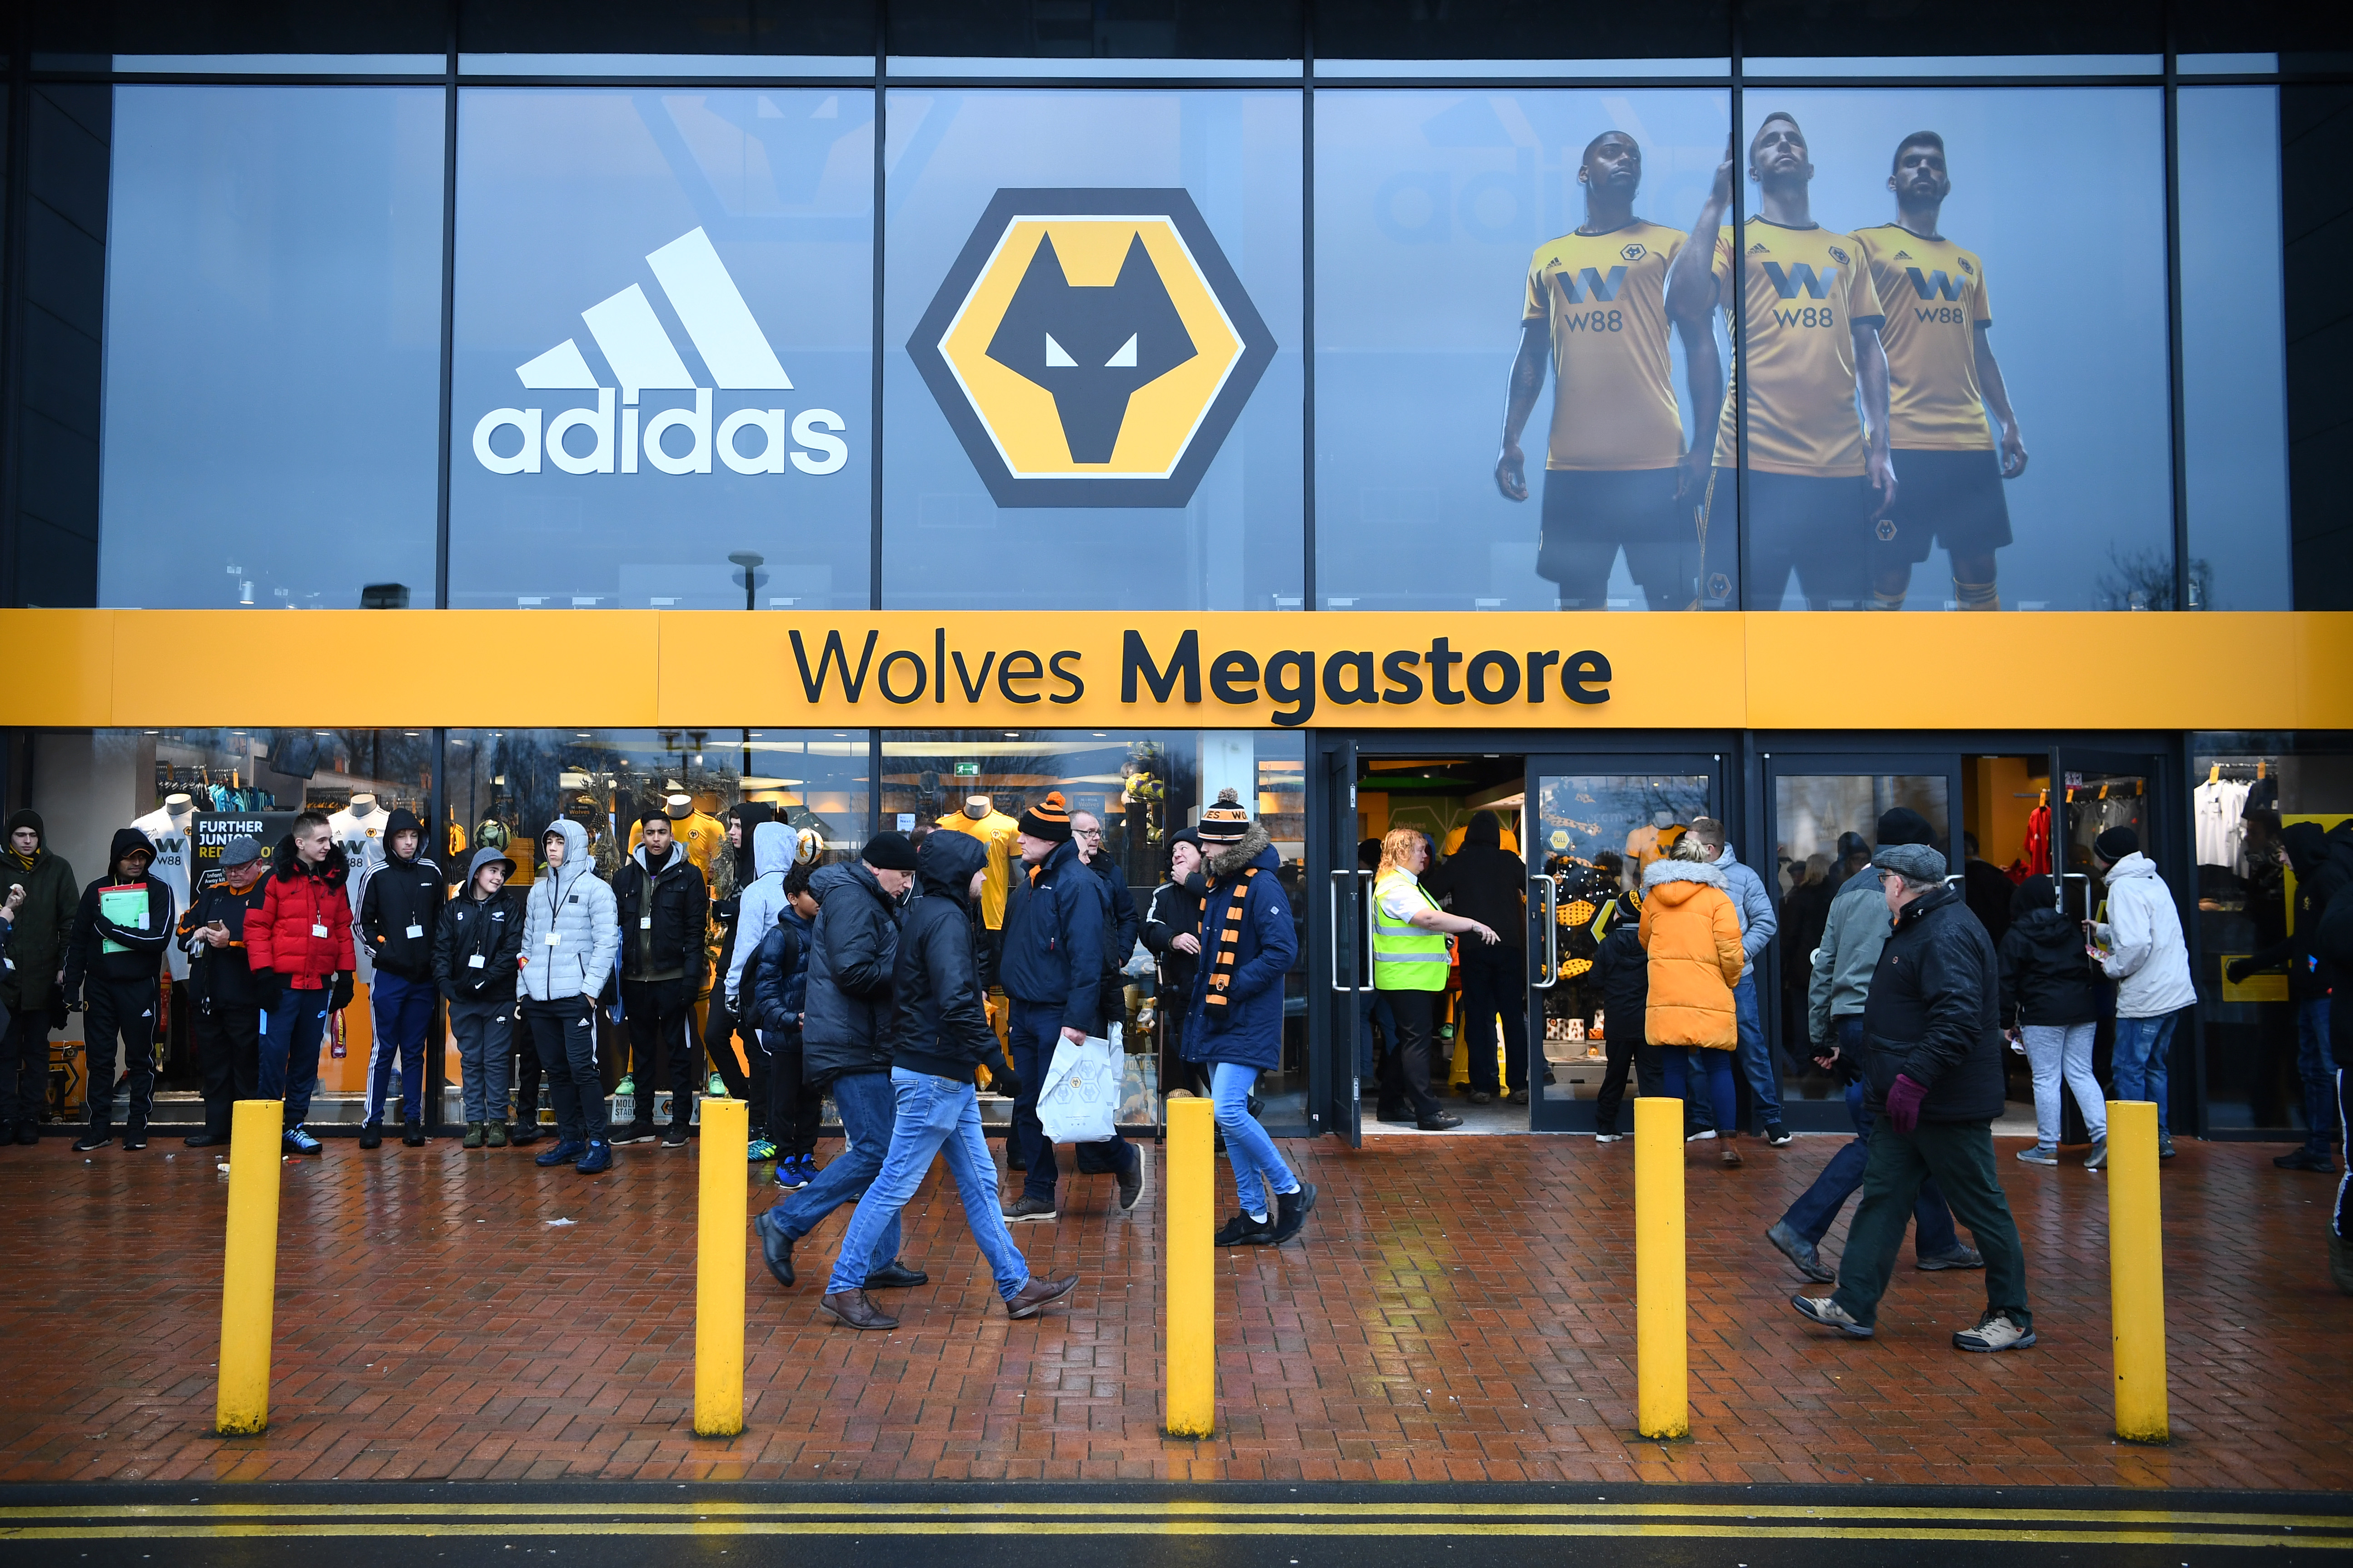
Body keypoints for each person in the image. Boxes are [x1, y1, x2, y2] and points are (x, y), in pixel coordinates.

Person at [816, 832, 1080, 1330]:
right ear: (960, 873)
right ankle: (843, 1285)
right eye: (979, 869)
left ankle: (1016, 1285)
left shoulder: (931, 914)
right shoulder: (947, 920)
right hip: (934, 1073)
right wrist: (997, 1064)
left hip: (942, 1073)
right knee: (894, 1183)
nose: (985, 877)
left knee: (981, 1184)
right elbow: (957, 999)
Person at [1791, 840, 2035, 1353]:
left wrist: (1913, 1080)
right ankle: (1854, 1300)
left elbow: (1958, 1020)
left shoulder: (1944, 932)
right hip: (1905, 1100)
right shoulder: (1922, 926)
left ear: (1898, 883)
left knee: (1981, 1206)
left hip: (1942, 1102)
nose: (1880, 888)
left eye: (1883, 881)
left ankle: (2011, 1315)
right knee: (1882, 1197)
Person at [1667, 114, 1896, 610]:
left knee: (1841, 642)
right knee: (1730, 630)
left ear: (1809, 167)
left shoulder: (1846, 251)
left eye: (1793, 140)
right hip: (1748, 467)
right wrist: (1716, 200)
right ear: (1753, 171)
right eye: (1770, 142)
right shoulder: (1733, 243)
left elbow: (1868, 351)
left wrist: (1880, 448)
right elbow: (1683, 300)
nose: (1784, 146)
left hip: (1836, 471)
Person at [1495, 129, 1721, 610]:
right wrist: (1509, 438)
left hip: (1659, 466)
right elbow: (1532, 354)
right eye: (1611, 152)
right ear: (1583, 173)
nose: (1626, 159)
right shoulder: (1548, 259)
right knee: (1580, 616)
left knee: (1678, 609)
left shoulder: (1671, 245)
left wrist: (1704, 445)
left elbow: (1702, 345)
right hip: (1575, 468)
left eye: (1633, 155)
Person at [1771, 806, 1977, 1282]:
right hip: (1893, 1024)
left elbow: (1823, 965)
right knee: (1882, 1136)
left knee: (1908, 1132)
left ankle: (1938, 1241)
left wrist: (1823, 1032)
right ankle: (1799, 1226)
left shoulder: (1845, 890)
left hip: (1853, 1024)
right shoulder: (1911, 891)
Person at [1855, 132, 2029, 612]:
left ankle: (1979, 678)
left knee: (1979, 569)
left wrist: (2008, 423)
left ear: (1947, 183)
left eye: (1933, 164)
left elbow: (1981, 352)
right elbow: (1851, 339)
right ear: (1894, 181)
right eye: (1912, 163)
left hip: (1968, 441)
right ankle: (1879, 683)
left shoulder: (1967, 263)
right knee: (1887, 571)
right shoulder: (1865, 247)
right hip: (1901, 441)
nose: (1923, 170)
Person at [752, 830, 926, 1291]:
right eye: (902, 874)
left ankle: (877, 1257)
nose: (905, 884)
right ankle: (785, 1221)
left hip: (864, 1042)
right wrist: (911, 966)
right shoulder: (854, 899)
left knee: (885, 1152)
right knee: (875, 1150)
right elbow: (854, 972)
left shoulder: (863, 896)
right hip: (853, 1046)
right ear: (877, 867)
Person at [1000, 792, 1145, 1219]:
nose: (1020, 840)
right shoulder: (1031, 881)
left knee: (1066, 1104)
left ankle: (1122, 1159)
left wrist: (1078, 1019)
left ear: (1047, 839)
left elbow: (1087, 957)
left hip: (1057, 1014)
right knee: (1029, 1103)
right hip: (1025, 1011)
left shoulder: (1076, 883)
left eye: (1027, 835)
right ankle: (1040, 1193)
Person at [1185, 788, 1313, 1246]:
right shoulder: (1224, 882)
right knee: (1229, 1115)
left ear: (1230, 845)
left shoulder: (1261, 884)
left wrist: (1233, 985)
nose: (1202, 848)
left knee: (1228, 1109)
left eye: (1209, 842)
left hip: (1245, 1014)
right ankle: (1255, 1214)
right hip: (1223, 1015)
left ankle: (1291, 1189)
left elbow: (1283, 950)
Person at [2229, 821, 2351, 1172]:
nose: (2281, 858)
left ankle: (2333, 1145)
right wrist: (2253, 965)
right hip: (2313, 993)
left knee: (2329, 1070)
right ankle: (2318, 1147)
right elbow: (2303, 941)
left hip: (2323, 995)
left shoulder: (2324, 881)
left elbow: (2330, 937)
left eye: (2285, 851)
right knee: (2313, 1070)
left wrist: (2319, 971)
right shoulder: (2308, 885)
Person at [245, 811, 356, 1156]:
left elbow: (342, 930)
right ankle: (266, 1128)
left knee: (307, 1058)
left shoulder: (334, 882)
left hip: (318, 987)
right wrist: (264, 975)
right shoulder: (274, 880)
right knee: (273, 1057)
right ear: (301, 843)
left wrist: (346, 977)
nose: (328, 846)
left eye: (329, 839)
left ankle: (293, 1125)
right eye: (321, 840)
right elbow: (256, 929)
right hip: (281, 986)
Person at [62, 828, 175, 1151]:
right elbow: (78, 942)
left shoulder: (159, 891)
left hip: (140, 987)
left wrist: (112, 930)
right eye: (130, 857)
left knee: (141, 1060)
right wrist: (72, 984)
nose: (137, 863)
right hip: (99, 988)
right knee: (100, 1060)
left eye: (143, 857)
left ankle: (138, 1126)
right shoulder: (95, 890)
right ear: (117, 859)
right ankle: (98, 1128)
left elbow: (157, 940)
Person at [1371, 827, 1488, 1132]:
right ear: (1402, 852)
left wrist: (1445, 936)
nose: (1427, 856)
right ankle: (1427, 1111)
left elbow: (1422, 926)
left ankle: (1391, 1104)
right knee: (1416, 1043)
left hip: (1410, 977)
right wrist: (1472, 924)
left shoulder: (1404, 884)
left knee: (1408, 1042)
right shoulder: (1396, 887)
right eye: (1421, 849)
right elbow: (1426, 919)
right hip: (1406, 978)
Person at [520, 818, 620, 1175]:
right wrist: (524, 991)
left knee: (583, 1069)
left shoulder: (597, 890)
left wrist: (590, 993)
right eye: (548, 842)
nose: (552, 848)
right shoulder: (537, 891)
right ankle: (571, 1138)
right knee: (557, 1072)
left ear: (574, 845)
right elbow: (527, 944)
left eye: (559, 842)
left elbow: (607, 944)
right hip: (540, 1000)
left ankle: (598, 1143)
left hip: (575, 997)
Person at [1638, 833, 1745, 1166]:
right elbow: (1731, 952)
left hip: (1667, 993)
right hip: (1708, 991)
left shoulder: (1653, 898)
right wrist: (1729, 982)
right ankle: (1727, 1142)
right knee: (1718, 1066)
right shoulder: (1717, 900)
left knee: (1672, 1068)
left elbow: (1645, 940)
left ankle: (1672, 1145)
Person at [2087, 826, 2194, 1160]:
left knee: (2127, 1067)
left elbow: (2135, 944)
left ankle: (2135, 1141)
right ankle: (2159, 1137)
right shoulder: (2150, 879)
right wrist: (2103, 930)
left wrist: (2110, 966)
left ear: (2105, 858)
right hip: (2173, 990)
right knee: (2154, 1066)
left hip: (2147, 996)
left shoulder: (2123, 888)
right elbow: (2148, 931)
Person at [611, 807, 711, 1150]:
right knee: (641, 1054)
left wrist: (690, 980)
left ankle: (680, 1122)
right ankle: (642, 1122)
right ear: (642, 836)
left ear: (672, 835)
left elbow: (696, 933)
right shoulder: (624, 879)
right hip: (636, 980)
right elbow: (616, 933)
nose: (656, 839)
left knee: (678, 1053)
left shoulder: (690, 876)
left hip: (673, 979)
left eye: (662, 833)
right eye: (650, 833)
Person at [1998, 873, 2106, 1168]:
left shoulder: (2016, 935)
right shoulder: (2069, 928)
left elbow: (2005, 982)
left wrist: (2006, 1020)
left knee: (2046, 1078)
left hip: (2042, 1013)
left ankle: (2047, 1146)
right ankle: (2103, 1137)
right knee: (2081, 1073)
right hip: (2081, 1011)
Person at [1689, 817, 1786, 1144]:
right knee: (1695, 1048)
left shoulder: (1744, 877)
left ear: (1709, 848)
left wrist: (1738, 955)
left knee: (1751, 1046)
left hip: (1736, 978)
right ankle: (1702, 1121)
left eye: (1690, 843)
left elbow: (1765, 921)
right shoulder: (1683, 877)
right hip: (1696, 978)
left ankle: (1772, 1119)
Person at [1424, 810, 1531, 1106]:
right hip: (1509, 947)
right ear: (1496, 836)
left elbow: (1430, 892)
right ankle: (1519, 1085)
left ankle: (1483, 1085)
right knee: (1511, 1017)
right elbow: (1536, 887)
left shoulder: (1459, 863)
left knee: (1478, 1016)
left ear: (1469, 836)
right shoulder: (1509, 862)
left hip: (1473, 946)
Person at [177, 834, 271, 1149]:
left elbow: (272, 937)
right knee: (214, 1066)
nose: (233, 874)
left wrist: (232, 942)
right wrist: (199, 931)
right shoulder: (212, 894)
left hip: (246, 996)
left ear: (259, 865)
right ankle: (215, 1128)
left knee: (246, 1066)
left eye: (240, 868)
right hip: (208, 994)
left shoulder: (266, 892)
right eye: (228, 869)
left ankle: (247, 1131)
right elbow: (182, 929)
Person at [355, 807, 440, 1150]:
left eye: (414, 836)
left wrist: (436, 960)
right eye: (402, 837)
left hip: (424, 979)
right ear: (390, 840)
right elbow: (361, 924)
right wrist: (386, 952)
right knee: (384, 1049)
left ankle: (413, 1121)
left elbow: (442, 921)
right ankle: (372, 1122)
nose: (408, 843)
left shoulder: (432, 872)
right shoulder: (376, 874)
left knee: (415, 1051)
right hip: (389, 977)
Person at [435, 844, 525, 1147]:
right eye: (492, 871)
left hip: (498, 997)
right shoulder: (453, 909)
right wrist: (448, 987)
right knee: (471, 1061)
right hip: (463, 1001)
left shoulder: (509, 908)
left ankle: (497, 1122)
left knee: (496, 1061)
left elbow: (512, 950)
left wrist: (485, 981)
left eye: (502, 873)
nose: (498, 878)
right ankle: (475, 1122)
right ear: (476, 873)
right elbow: (441, 952)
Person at [0, 809, 77, 1145]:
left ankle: (30, 1117)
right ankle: (5, 1117)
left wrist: (65, 966)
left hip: (43, 977)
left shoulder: (57, 868)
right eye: (21, 835)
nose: (28, 841)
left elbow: (70, 923)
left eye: (33, 835)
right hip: (5, 980)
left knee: (36, 1051)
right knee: (3, 1053)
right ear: (10, 838)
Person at [744, 859, 821, 1190]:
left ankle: (806, 1156)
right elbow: (766, 991)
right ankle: (785, 1160)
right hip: (786, 1035)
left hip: (815, 1035)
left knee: (811, 1099)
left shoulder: (823, 931)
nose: (819, 898)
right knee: (784, 1100)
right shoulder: (779, 936)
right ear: (793, 898)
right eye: (811, 892)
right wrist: (791, 1020)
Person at [700, 801, 772, 1127]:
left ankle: (759, 1118)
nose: (732, 832)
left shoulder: (768, 868)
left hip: (758, 970)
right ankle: (744, 1097)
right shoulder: (738, 865)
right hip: (730, 964)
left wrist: (732, 910)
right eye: (731, 825)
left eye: (739, 826)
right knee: (714, 1033)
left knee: (755, 1046)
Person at [1587, 883, 1656, 1141]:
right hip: (1647, 1021)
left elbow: (1594, 980)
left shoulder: (1608, 945)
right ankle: (1654, 1130)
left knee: (1615, 1074)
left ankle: (1605, 1127)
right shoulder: (1652, 944)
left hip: (1617, 1020)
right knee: (1651, 1077)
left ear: (1619, 915)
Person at [1142, 829, 1209, 1097]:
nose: (1177, 855)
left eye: (1184, 849)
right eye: (1173, 852)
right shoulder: (1165, 894)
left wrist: (1192, 881)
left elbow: (1217, 899)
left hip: (1222, 987)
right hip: (1185, 990)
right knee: (1188, 1046)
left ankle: (1233, 1115)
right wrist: (1174, 939)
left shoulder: (1219, 886)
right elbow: (1148, 929)